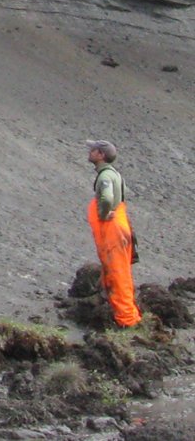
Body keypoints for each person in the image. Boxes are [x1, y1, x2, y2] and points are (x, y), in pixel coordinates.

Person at [85, 139, 141, 328]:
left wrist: (103, 212)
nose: (90, 152)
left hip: (113, 230)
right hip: (121, 225)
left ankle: (127, 321)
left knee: (117, 274)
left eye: (93, 150)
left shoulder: (105, 176)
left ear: (101, 155)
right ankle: (126, 316)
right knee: (118, 272)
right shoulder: (115, 174)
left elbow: (107, 198)